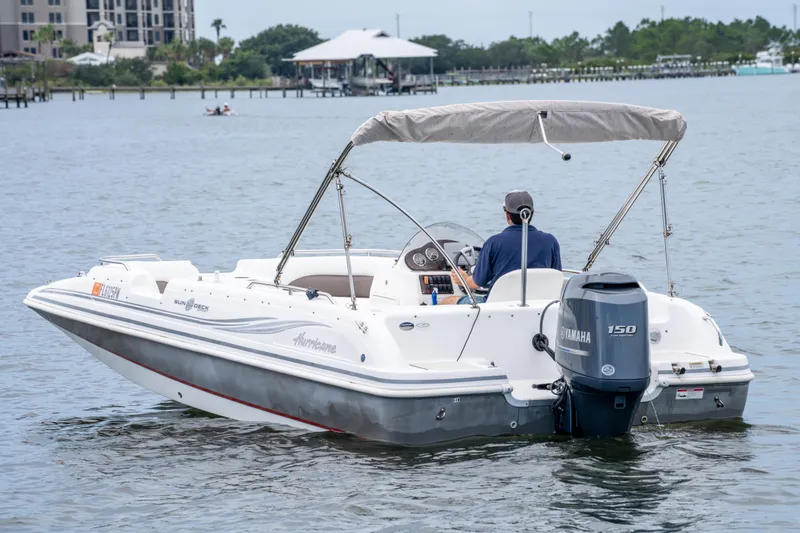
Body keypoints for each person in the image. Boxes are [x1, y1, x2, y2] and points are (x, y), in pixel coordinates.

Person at [441, 190, 561, 305]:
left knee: (446, 302)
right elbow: (555, 276)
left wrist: (464, 279)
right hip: (539, 307)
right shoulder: (551, 241)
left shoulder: (493, 243)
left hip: (496, 306)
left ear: (507, 214)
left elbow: (477, 283)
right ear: (531, 213)